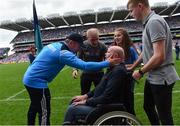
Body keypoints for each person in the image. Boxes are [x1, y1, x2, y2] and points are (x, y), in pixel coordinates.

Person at [23, 33, 120, 125]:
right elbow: (85, 66)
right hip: (37, 82)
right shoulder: (64, 53)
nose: (78, 50)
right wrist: (107, 63)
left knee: (34, 106)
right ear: (71, 43)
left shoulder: (55, 44)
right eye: (78, 46)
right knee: (44, 111)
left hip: (29, 78)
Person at [127, 0, 180, 125]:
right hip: (153, 76)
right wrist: (133, 66)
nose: (130, 14)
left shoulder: (154, 22)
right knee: (148, 106)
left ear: (140, 6)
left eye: (131, 10)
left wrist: (140, 71)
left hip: (162, 77)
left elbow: (159, 56)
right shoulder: (148, 23)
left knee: (165, 117)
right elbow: (146, 51)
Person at [64, 46, 129, 124]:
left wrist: (86, 102)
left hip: (106, 108)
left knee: (72, 109)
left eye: (108, 52)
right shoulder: (113, 69)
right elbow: (100, 87)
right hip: (101, 105)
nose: (105, 54)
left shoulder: (118, 71)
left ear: (114, 56)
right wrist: (85, 96)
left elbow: (107, 97)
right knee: (74, 101)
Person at [111, 27, 138, 115]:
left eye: (119, 35)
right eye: (115, 36)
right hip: (115, 77)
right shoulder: (113, 49)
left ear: (125, 37)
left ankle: (131, 119)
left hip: (128, 78)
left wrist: (123, 66)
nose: (116, 37)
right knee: (118, 100)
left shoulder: (130, 49)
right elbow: (110, 63)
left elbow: (136, 63)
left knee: (129, 101)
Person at [72, 28, 107, 95]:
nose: (95, 42)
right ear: (87, 37)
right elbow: (78, 59)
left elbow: (107, 59)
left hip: (99, 73)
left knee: (101, 92)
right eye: (92, 40)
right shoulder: (83, 46)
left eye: (97, 39)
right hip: (86, 73)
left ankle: (99, 105)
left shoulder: (102, 46)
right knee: (84, 92)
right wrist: (75, 69)